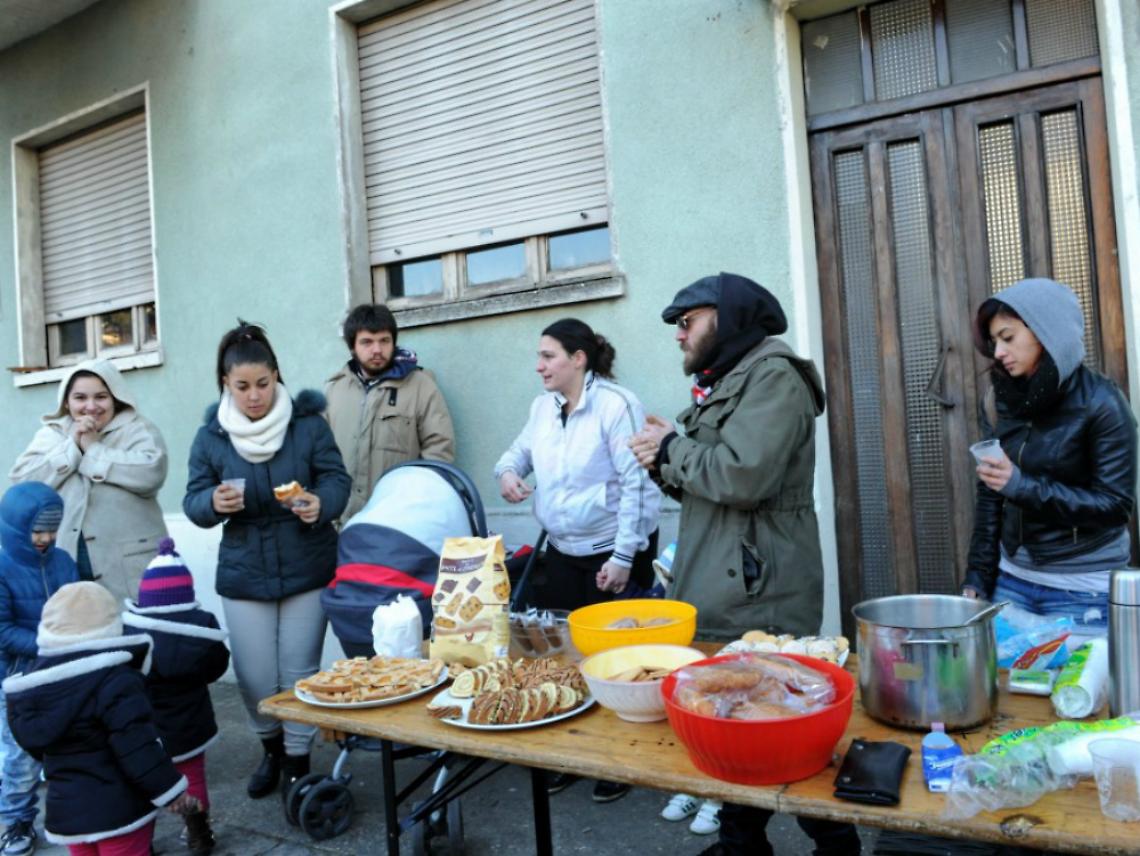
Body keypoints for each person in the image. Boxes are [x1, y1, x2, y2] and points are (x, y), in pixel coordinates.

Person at [629, 272, 859, 856]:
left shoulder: (774, 376)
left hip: (761, 589)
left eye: (688, 322)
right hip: (723, 578)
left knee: (787, 727)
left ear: (727, 318)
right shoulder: (731, 378)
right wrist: (663, 462)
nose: (679, 336)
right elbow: (712, 485)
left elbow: (743, 475)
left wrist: (672, 448)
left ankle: (837, 847)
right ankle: (742, 846)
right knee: (733, 721)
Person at [495, 318, 660, 802]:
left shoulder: (616, 405)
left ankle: (618, 760)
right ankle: (574, 754)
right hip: (563, 551)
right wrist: (507, 472)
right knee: (565, 659)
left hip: (614, 550)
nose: (539, 365)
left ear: (578, 359)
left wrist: (625, 555)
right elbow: (518, 453)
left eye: (548, 356)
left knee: (617, 661)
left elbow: (636, 483)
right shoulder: (543, 408)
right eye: (539, 356)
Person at [183, 322, 350, 801]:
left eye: (262, 384)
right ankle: (271, 749)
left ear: (276, 376)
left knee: (298, 671)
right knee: (255, 675)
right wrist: (213, 503)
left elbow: (337, 479)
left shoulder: (308, 424)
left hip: (307, 563)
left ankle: (298, 761)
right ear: (225, 385)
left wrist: (322, 503)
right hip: (244, 568)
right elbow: (193, 499)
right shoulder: (211, 437)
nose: (254, 396)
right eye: (242, 387)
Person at [963, 277, 1136, 646]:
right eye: (994, 342)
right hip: (1011, 582)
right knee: (1008, 698)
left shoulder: (1103, 404)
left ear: (1046, 333)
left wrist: (1021, 486)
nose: (998, 353)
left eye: (1008, 338)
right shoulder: (999, 400)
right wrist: (977, 579)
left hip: (1081, 590)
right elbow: (991, 495)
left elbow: (1115, 507)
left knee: (1077, 699)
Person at [3, 581, 196, 856]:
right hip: (120, 811)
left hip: (67, 813)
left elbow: (37, 748)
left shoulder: (33, 690)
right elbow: (138, 748)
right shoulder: (116, 680)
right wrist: (170, 791)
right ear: (109, 626)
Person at [10, 359, 168, 603]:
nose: (91, 407)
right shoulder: (52, 434)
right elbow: (22, 482)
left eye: (101, 397)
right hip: (67, 559)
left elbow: (151, 472)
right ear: (66, 401)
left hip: (129, 565)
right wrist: (72, 447)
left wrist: (93, 450)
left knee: (137, 634)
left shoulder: (137, 429)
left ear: (115, 397)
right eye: (80, 398)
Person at [122, 538, 230, 855]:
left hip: (147, 728)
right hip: (191, 723)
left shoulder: (133, 633)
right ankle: (198, 834)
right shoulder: (202, 627)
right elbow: (217, 666)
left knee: (143, 784)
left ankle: (144, 843)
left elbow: (124, 680)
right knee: (192, 777)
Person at [0, 482, 79, 856]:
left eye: (52, 528)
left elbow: (82, 606)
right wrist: (50, 643)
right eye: (36, 530)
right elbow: (2, 630)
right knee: (19, 758)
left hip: (64, 674)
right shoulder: (2, 565)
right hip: (18, 680)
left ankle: (72, 816)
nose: (45, 538)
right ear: (16, 527)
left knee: (70, 746)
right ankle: (15, 819)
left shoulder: (63, 561)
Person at [325, 304, 455, 522]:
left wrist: (414, 503)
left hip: (399, 521)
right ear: (352, 347)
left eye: (384, 341)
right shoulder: (334, 391)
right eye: (367, 342)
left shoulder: (421, 387)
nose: (377, 350)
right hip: (340, 523)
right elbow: (319, 456)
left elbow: (439, 452)